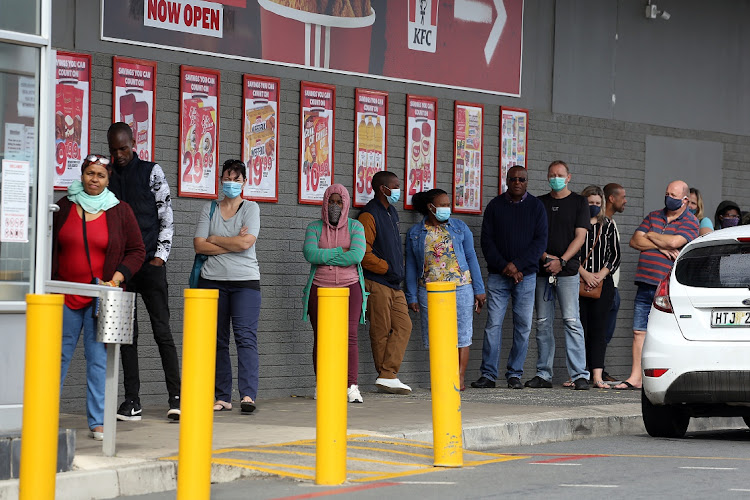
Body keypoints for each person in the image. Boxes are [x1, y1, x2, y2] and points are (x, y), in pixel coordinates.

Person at [53, 154, 145, 440]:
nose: (94, 179)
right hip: (63, 294)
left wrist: (117, 278)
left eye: (101, 175)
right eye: (90, 173)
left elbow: (137, 250)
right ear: (82, 175)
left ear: (108, 180)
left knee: (98, 362)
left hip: (101, 298)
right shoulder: (63, 205)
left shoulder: (119, 210)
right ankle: (42, 414)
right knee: (55, 358)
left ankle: (97, 422)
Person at [107, 122, 181, 421]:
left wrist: (160, 257)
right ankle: (132, 400)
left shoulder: (153, 172)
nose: (119, 154)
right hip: (121, 270)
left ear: (133, 143)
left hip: (150, 264)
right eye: (114, 150)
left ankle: (176, 397)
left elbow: (166, 215)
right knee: (126, 337)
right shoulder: (107, 176)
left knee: (162, 332)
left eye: (123, 148)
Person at [615, 180, 698, 390]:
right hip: (644, 283)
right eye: (667, 192)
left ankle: (663, 378)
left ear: (685, 200)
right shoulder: (654, 215)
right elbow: (634, 241)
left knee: (665, 332)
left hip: (666, 289)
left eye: (673, 195)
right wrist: (660, 246)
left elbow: (674, 243)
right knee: (638, 332)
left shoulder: (691, 221)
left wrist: (650, 235)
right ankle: (635, 377)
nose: (668, 197)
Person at [194, 160, 261, 413]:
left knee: (245, 338)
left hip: (245, 282)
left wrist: (215, 239)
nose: (230, 183)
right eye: (226, 178)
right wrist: (232, 241)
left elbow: (246, 244)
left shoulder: (251, 208)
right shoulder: (209, 208)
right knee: (218, 340)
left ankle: (248, 395)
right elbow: (199, 245)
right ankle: (222, 396)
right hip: (211, 281)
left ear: (244, 181)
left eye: (236, 179)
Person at [471, 166, 547, 390]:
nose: (516, 182)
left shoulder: (536, 207)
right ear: (506, 181)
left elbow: (540, 242)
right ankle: (488, 375)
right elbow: (487, 241)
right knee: (493, 324)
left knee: (523, 326)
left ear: (527, 181)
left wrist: (518, 266)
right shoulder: (495, 206)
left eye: (521, 179)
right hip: (498, 275)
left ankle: (514, 374)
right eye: (512, 179)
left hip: (527, 276)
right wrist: (506, 266)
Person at [405, 189, 486, 391]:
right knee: (436, 336)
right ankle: (442, 375)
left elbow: (471, 257)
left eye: (447, 204)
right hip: (430, 290)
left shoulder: (459, 227)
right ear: (430, 207)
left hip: (461, 288)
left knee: (462, 335)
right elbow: (412, 267)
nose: (446, 208)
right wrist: (411, 295)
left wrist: (479, 289)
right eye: (441, 204)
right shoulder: (416, 233)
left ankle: (458, 376)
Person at [526, 160, 591, 390]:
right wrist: (546, 259)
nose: (556, 178)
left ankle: (579, 375)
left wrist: (561, 261)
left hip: (568, 272)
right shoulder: (538, 203)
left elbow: (580, 237)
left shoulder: (579, 202)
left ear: (569, 177)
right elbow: (532, 236)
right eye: (552, 174)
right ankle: (544, 374)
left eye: (560, 174)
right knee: (543, 323)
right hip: (543, 271)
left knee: (572, 322)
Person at [302, 184, 367, 403]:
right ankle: (323, 384)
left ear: (346, 204)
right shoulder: (314, 227)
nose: (335, 206)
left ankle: (351, 386)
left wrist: (326, 256)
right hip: (320, 287)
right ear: (325, 202)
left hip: (350, 287)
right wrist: (341, 251)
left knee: (350, 337)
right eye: (332, 201)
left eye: (339, 202)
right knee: (322, 338)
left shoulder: (356, 227)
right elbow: (310, 254)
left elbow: (356, 256)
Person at [358, 171, 412, 394]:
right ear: (383, 188)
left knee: (404, 326)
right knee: (380, 330)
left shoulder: (393, 213)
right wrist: (387, 268)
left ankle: (387, 374)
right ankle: (387, 376)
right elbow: (363, 253)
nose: (399, 190)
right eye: (396, 186)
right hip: (377, 282)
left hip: (394, 284)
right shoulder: (368, 215)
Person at [578, 185, 620, 389]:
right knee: (579, 329)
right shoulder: (577, 224)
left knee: (598, 329)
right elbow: (571, 252)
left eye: (597, 203)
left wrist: (600, 275)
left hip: (603, 284)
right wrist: (585, 274)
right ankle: (580, 373)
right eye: (590, 203)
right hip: (578, 281)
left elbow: (615, 255)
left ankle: (597, 375)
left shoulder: (608, 224)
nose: (594, 206)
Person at [602, 182, 627, 382]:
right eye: (622, 197)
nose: (625, 201)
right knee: (598, 329)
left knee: (606, 331)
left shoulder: (613, 222)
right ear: (612, 198)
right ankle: (592, 370)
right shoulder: (601, 223)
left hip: (613, 286)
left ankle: (598, 368)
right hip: (602, 284)